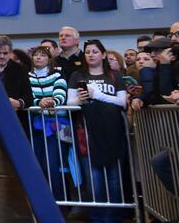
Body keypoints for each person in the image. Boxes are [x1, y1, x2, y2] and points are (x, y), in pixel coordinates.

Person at [67, 40, 128, 222]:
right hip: (87, 133)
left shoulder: (114, 75)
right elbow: (70, 103)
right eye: (87, 52)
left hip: (112, 133)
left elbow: (122, 102)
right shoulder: (78, 75)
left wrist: (97, 95)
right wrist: (81, 99)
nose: (91, 54)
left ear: (103, 54)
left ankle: (113, 218)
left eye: (95, 51)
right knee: (94, 181)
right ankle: (97, 218)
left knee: (114, 180)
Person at [27, 46, 68, 201]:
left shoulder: (58, 74)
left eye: (43, 55)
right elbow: (28, 96)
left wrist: (51, 101)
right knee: (36, 166)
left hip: (56, 125)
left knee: (52, 166)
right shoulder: (27, 77)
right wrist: (39, 102)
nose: (38, 58)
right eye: (36, 55)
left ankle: (58, 203)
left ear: (49, 59)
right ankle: (40, 202)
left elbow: (60, 95)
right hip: (35, 125)